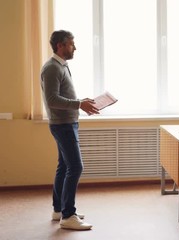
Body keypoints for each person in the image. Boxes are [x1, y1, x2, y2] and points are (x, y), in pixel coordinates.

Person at [41, 30, 98, 230]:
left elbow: (63, 97)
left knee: (64, 166)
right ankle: (68, 215)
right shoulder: (51, 68)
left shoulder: (61, 66)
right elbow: (52, 100)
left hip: (67, 123)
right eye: (71, 44)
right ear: (60, 46)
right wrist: (78, 104)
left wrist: (81, 105)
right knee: (76, 167)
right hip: (62, 125)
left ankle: (59, 210)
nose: (75, 48)